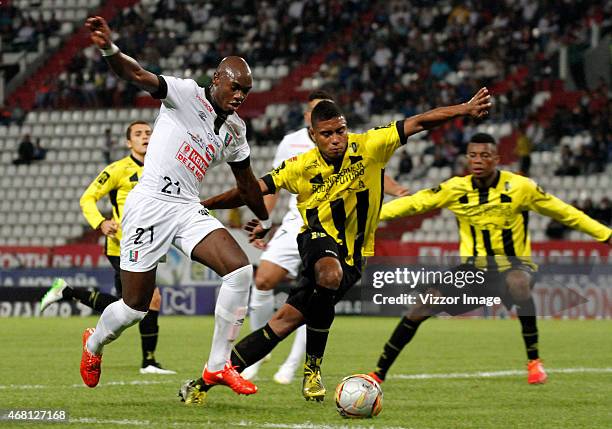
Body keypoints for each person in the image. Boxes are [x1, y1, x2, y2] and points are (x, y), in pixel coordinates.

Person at [180, 88, 492, 403]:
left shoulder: (371, 145)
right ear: (314, 136)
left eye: (340, 131)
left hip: (354, 257)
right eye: (327, 134)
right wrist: (204, 203)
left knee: (283, 323)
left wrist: (463, 109)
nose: (336, 139)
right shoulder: (300, 166)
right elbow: (251, 189)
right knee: (329, 274)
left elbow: (421, 121)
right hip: (315, 240)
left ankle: (202, 384)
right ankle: (313, 367)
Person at [80, 16, 268, 398]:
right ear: (217, 79)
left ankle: (217, 366)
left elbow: (246, 181)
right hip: (149, 204)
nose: (239, 97)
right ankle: (93, 342)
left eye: (245, 92)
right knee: (133, 308)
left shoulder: (235, 130)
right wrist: (108, 48)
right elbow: (137, 74)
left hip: (185, 207)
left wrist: (263, 215)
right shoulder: (184, 93)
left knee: (239, 270)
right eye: (235, 87)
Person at [369, 132, 612, 386]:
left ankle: (534, 362)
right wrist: (370, 217)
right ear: (466, 159)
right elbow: (415, 203)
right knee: (422, 305)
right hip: (475, 271)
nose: (478, 160)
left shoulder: (521, 188)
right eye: (473, 155)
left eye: (485, 155)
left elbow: (565, 212)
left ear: (496, 159)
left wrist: (605, 234)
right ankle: (378, 373)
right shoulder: (456, 189)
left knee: (517, 282)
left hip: (515, 266)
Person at [242, 90, 410, 384]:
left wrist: (395, 189)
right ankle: (264, 359)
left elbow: (369, 168)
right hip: (300, 223)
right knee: (264, 279)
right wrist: (267, 220)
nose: (333, 134)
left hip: (340, 233)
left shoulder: (356, 146)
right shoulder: (290, 145)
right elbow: (273, 185)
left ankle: (294, 366)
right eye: (313, 111)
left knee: (315, 296)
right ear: (309, 121)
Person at [40, 121, 175, 375]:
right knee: (149, 299)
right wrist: (100, 223)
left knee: (129, 306)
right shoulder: (118, 169)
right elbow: (87, 198)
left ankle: (67, 291)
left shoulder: (162, 167)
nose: (145, 137)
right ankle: (149, 362)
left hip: (152, 243)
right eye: (138, 134)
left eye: (148, 133)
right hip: (122, 245)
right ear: (128, 142)